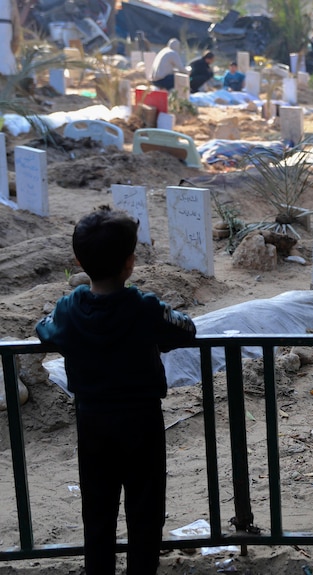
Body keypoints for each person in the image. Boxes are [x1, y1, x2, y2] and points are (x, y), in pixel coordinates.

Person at [35, 206, 197, 575]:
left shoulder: (69, 308)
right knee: (145, 509)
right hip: (141, 421)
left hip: (92, 421)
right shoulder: (144, 307)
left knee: (97, 511)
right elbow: (185, 329)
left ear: (79, 260)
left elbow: (43, 329)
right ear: (130, 263)